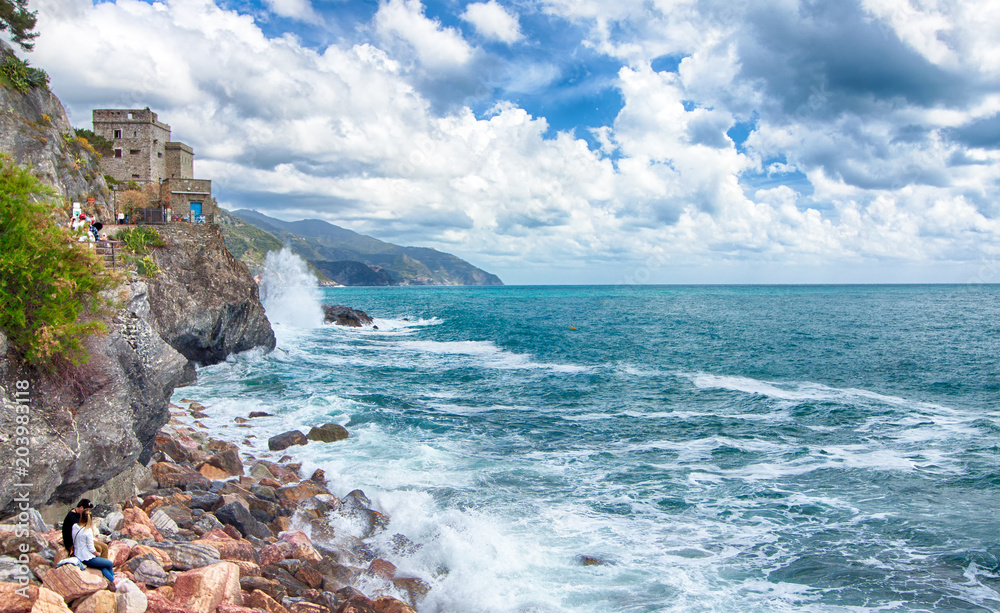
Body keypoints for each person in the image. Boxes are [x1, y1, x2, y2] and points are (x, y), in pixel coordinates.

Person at [72, 509, 114, 582]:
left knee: (102, 567)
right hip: (86, 558)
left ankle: (113, 581)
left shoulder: (75, 526)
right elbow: (91, 549)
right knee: (109, 564)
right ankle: (114, 580)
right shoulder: (88, 531)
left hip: (77, 555)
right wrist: (98, 554)